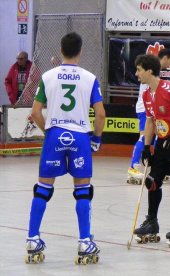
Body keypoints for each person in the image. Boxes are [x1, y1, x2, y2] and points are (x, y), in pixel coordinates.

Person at [25, 32, 106, 264]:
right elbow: (100, 114)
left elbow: (35, 112)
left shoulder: (48, 77)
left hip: (55, 134)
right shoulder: (90, 78)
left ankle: (32, 238)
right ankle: (84, 242)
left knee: (43, 188)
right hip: (80, 136)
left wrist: (49, 131)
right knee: (83, 190)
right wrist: (96, 139)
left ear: (61, 50)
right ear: (80, 51)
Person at [133, 54, 170, 247]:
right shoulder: (146, 94)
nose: (136, 74)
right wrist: (146, 146)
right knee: (152, 182)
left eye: (139, 70)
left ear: (149, 70)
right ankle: (152, 221)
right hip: (161, 141)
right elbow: (150, 121)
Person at [127, 48, 170, 184]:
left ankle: (161, 167)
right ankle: (133, 167)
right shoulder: (149, 70)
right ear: (164, 58)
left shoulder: (154, 71)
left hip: (154, 109)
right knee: (144, 136)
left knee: (158, 138)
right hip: (145, 109)